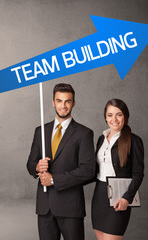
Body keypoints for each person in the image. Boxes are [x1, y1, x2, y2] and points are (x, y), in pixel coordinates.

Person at [27, 83, 96, 240]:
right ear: (53, 102)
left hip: (70, 207)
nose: (63, 106)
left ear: (73, 103)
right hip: (45, 208)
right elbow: (30, 164)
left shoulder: (84, 133)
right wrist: (37, 167)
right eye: (59, 101)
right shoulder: (40, 131)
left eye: (67, 101)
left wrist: (53, 179)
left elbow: (88, 170)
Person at [91, 99, 144, 240]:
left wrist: (127, 198)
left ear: (125, 116)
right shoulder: (101, 139)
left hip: (119, 196)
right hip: (99, 195)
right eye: (110, 115)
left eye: (118, 114)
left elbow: (138, 174)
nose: (114, 119)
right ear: (105, 117)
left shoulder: (134, 141)